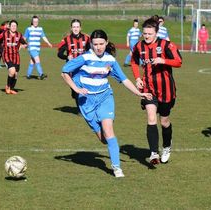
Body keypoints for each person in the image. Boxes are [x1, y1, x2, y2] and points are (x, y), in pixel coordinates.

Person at [61, 29, 152, 178]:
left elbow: (124, 79)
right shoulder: (84, 58)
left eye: (101, 44)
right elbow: (64, 72)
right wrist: (76, 89)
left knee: (109, 131)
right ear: (91, 44)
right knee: (103, 139)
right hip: (86, 102)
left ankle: (117, 168)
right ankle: (111, 148)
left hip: (105, 97)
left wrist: (139, 93)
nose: (98, 47)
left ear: (106, 42)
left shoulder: (110, 60)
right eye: (95, 44)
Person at [131, 17, 182, 165]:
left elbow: (179, 61)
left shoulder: (166, 45)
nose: (146, 36)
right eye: (144, 33)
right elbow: (134, 61)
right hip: (148, 88)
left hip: (166, 90)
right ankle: (154, 153)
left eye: (150, 34)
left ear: (156, 33)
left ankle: (166, 147)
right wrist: (137, 77)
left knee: (164, 121)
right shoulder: (139, 46)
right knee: (151, 118)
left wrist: (163, 60)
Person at [57, 19, 90, 111]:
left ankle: (82, 108)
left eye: (77, 27)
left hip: (84, 68)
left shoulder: (86, 38)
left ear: (80, 28)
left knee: (85, 86)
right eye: (74, 27)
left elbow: (91, 51)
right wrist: (67, 57)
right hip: (71, 69)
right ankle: (79, 106)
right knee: (75, 90)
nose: (76, 29)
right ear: (71, 28)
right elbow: (59, 53)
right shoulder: (67, 39)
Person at [0, 20, 27, 95]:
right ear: (9, 27)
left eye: (15, 26)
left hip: (16, 56)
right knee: (12, 71)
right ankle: (8, 87)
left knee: (15, 74)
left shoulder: (19, 35)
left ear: (17, 27)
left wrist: (25, 45)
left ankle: (11, 89)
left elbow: (24, 43)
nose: (13, 27)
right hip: (6, 55)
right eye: (12, 26)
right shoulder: (4, 34)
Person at [24, 16, 53, 80]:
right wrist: (23, 44)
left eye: (37, 21)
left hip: (37, 48)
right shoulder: (28, 29)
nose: (35, 22)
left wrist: (48, 43)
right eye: (34, 21)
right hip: (31, 48)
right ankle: (41, 74)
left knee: (32, 61)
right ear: (32, 22)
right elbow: (24, 38)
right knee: (37, 60)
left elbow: (43, 37)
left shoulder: (40, 29)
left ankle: (28, 75)